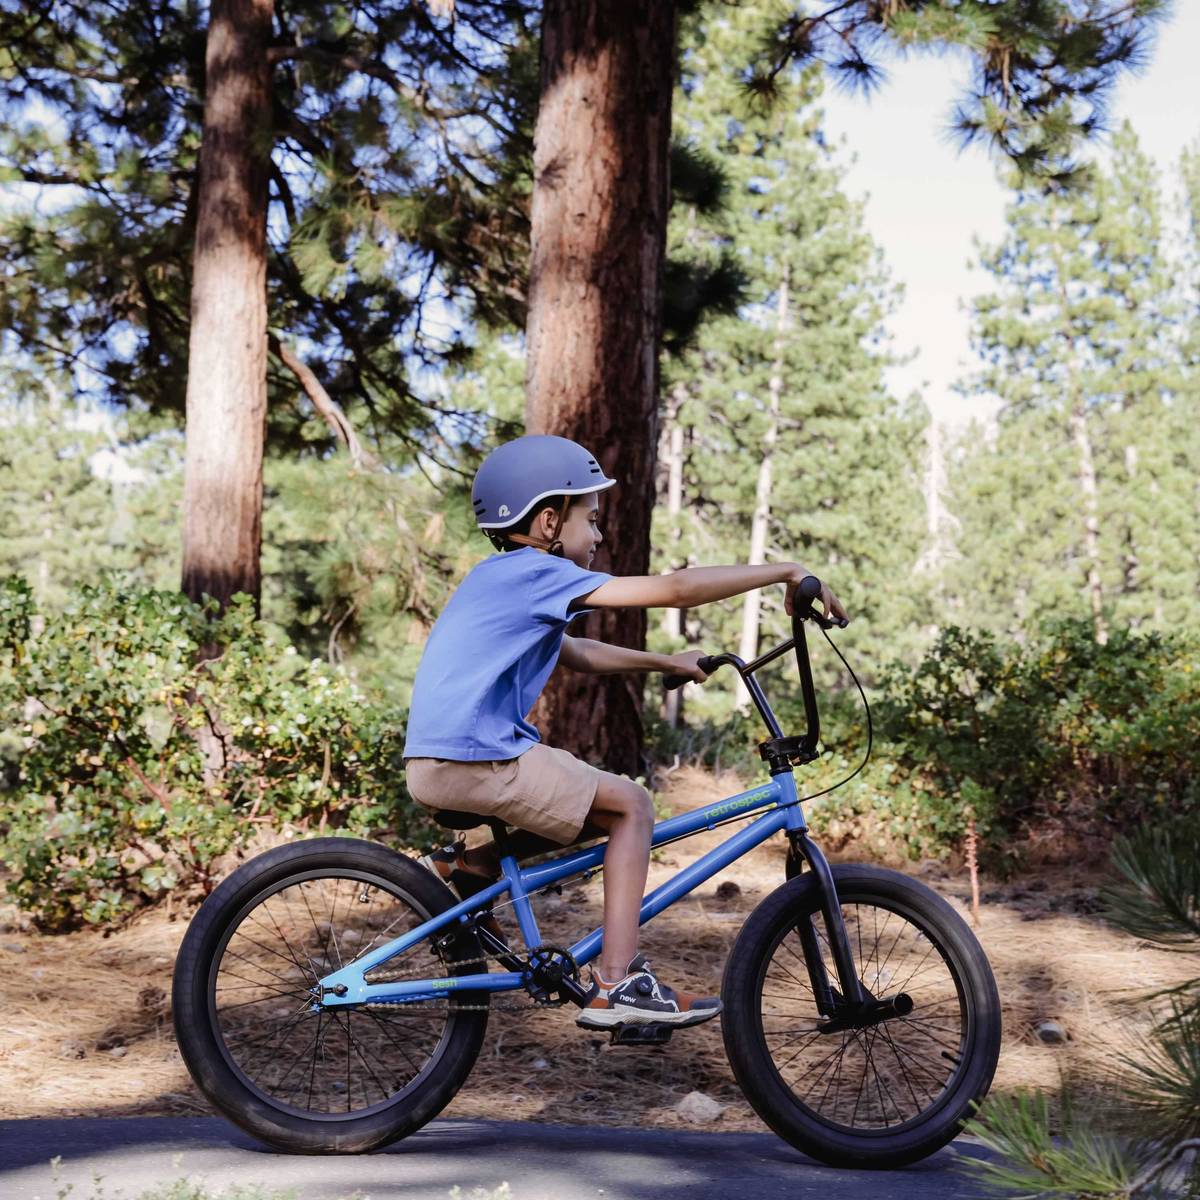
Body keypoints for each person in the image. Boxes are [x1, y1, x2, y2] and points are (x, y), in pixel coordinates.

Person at [402, 434, 848, 1029]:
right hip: (475, 759)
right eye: (592, 519)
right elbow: (676, 589)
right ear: (548, 521)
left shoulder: (507, 578)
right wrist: (785, 571)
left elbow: (577, 652)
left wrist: (667, 664)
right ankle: (618, 984)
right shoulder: (535, 572)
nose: (601, 534)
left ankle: (473, 867)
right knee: (632, 807)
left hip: (447, 761)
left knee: (599, 814)